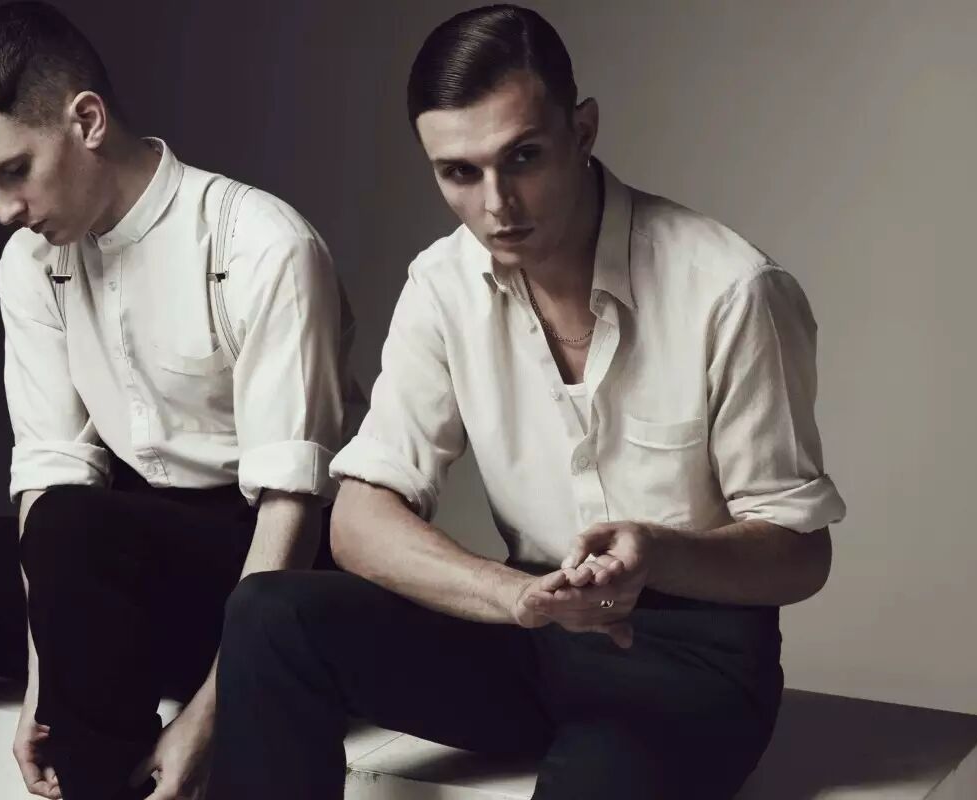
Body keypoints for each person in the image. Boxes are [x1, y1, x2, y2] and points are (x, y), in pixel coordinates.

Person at [208, 5, 846, 799]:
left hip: (690, 663)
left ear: (583, 131)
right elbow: (359, 518)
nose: (497, 204)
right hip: (531, 632)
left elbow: (801, 553)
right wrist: (515, 598)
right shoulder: (442, 284)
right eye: (459, 173)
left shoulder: (732, 289)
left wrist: (657, 552)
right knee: (270, 614)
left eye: (523, 157)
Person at [0, 3, 357, 799]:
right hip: (107, 570)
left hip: (267, 572)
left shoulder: (263, 244)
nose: (5, 210)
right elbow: (51, 474)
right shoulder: (29, 265)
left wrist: (208, 719)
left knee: (82, 530)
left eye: (14, 171)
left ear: (87, 121)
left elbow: (293, 507)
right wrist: (41, 685)